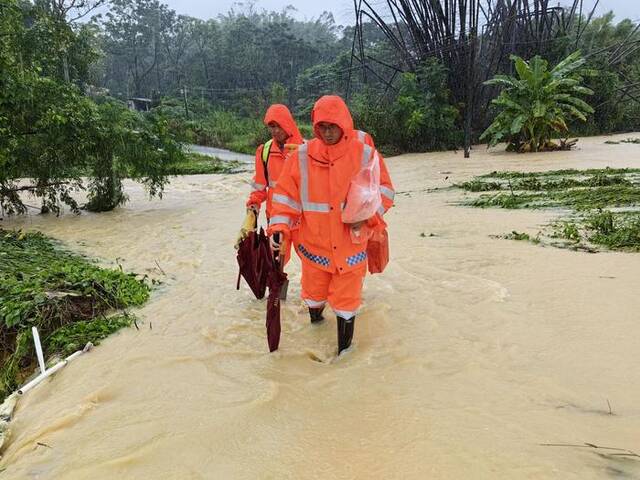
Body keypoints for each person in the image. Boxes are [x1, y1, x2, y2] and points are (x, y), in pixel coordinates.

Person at [268, 95, 394, 354]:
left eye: (332, 126)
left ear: (344, 124)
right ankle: (316, 327)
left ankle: (343, 357)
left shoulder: (365, 154)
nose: (326, 133)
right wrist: (278, 229)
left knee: (347, 304)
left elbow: (386, 192)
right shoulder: (301, 157)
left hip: (352, 247)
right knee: (313, 297)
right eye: (321, 127)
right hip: (314, 248)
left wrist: (367, 215)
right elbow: (284, 199)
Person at [235, 104, 304, 249]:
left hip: (303, 220)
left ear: (288, 124)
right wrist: (252, 210)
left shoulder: (305, 150)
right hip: (275, 219)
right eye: (272, 126)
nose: (276, 130)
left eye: (279, 125)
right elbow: (259, 187)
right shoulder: (264, 152)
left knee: (312, 265)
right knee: (274, 265)